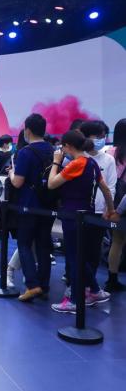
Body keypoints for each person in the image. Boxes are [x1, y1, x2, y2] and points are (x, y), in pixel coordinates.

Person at [48, 131, 114, 313]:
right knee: (80, 256)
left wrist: (56, 163)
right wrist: (111, 210)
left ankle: (75, 301)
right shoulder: (92, 163)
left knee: (74, 257)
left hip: (72, 215)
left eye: (63, 146)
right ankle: (95, 290)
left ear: (68, 146)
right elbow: (106, 190)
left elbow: (51, 184)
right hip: (87, 214)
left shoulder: (76, 164)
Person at [7, 114, 55, 301]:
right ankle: (44, 286)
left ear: (27, 130)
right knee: (43, 246)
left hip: (28, 204)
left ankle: (32, 285)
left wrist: (12, 173)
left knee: (24, 244)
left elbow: (18, 182)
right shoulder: (52, 150)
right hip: (48, 205)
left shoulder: (25, 152)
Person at [82, 120, 116, 297]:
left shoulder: (108, 159)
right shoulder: (77, 157)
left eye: (103, 136)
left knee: (94, 250)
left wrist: (108, 208)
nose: (102, 139)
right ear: (86, 137)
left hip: (99, 212)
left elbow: (111, 186)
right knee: (78, 250)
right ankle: (76, 285)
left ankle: (90, 287)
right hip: (79, 211)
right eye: (98, 136)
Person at [106, 118, 126, 291]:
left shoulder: (109, 152)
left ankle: (112, 278)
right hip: (122, 203)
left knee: (117, 241)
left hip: (112, 200)